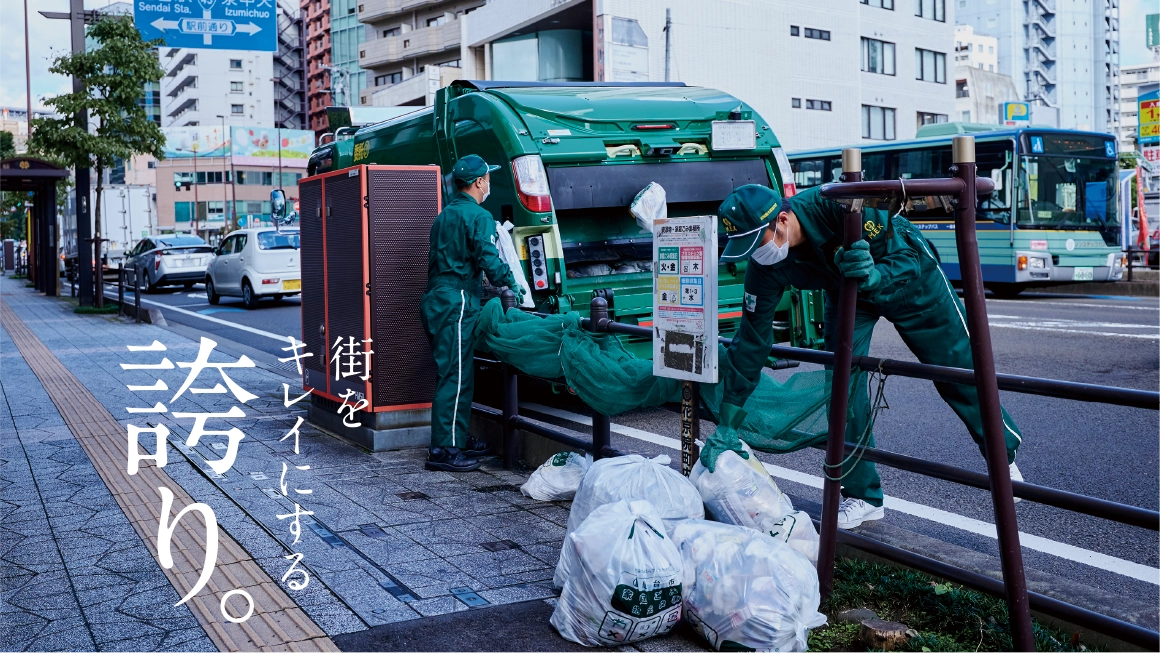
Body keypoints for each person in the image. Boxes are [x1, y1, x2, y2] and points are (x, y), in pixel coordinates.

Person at [704, 184, 1024, 528]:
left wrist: (875, 275)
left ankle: (1001, 456)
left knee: (955, 369)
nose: (755, 254)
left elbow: (907, 258)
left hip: (909, 279)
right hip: (848, 289)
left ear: (782, 220)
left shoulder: (839, 205)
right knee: (842, 387)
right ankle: (863, 495)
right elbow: (753, 341)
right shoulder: (764, 266)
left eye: (757, 243)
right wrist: (728, 419)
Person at [420, 154, 524, 472]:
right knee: (455, 376)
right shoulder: (478, 216)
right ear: (479, 182)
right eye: (488, 178)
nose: (489, 182)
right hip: (458, 301)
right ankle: (443, 450)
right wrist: (513, 286)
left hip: (437, 300)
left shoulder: (444, 215)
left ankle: (457, 437)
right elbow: (488, 258)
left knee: (457, 374)